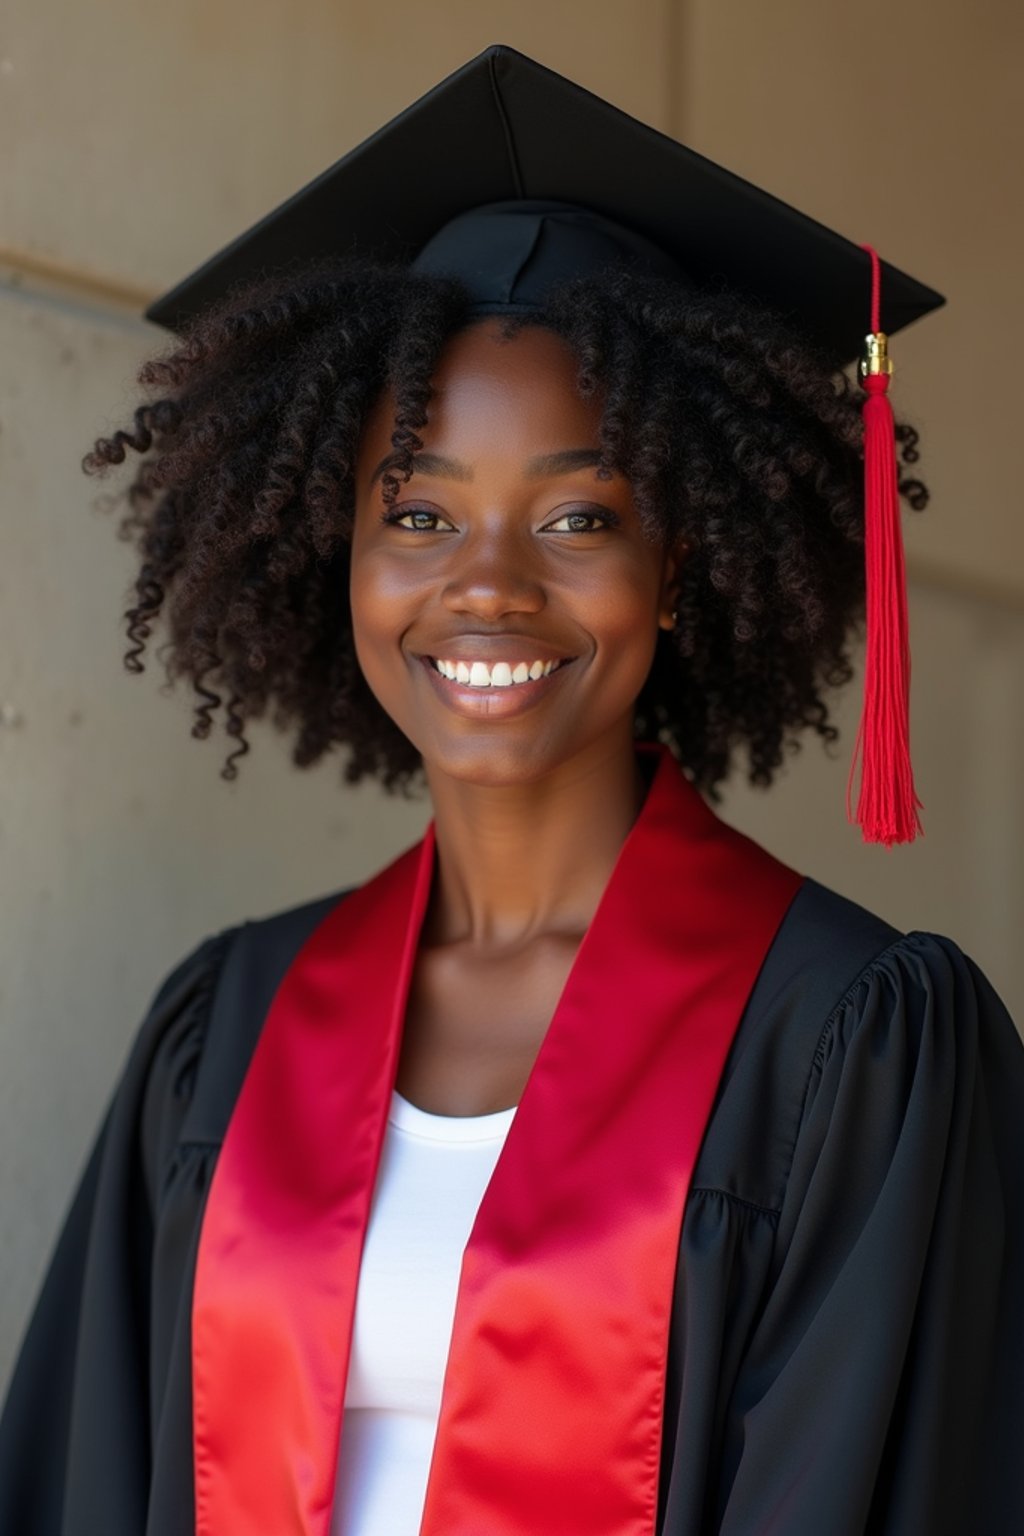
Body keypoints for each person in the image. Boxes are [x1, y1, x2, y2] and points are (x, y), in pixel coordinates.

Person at [1, 41, 1021, 1536]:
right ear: (333, 551)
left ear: (677, 568)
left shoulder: (848, 1046)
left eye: (576, 514)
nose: (486, 586)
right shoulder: (225, 1028)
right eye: (418, 509)